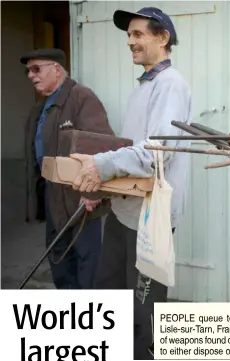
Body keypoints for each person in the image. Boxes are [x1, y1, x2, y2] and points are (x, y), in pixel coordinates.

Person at [68, 7, 192, 360]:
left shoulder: (170, 86)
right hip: (125, 213)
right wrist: (102, 187)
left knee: (145, 312)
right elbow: (130, 151)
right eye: (129, 36)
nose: (130, 42)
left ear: (162, 38)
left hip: (150, 219)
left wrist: (98, 167)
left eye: (138, 35)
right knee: (113, 297)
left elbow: (155, 154)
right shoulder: (145, 86)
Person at [22, 48, 114, 290]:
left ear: (56, 69)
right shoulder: (41, 107)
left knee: (87, 264)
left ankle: (92, 319)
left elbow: (102, 145)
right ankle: (70, 317)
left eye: (36, 69)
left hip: (80, 194)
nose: (31, 75)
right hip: (53, 193)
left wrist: (93, 193)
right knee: (60, 260)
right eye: (28, 71)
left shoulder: (81, 97)